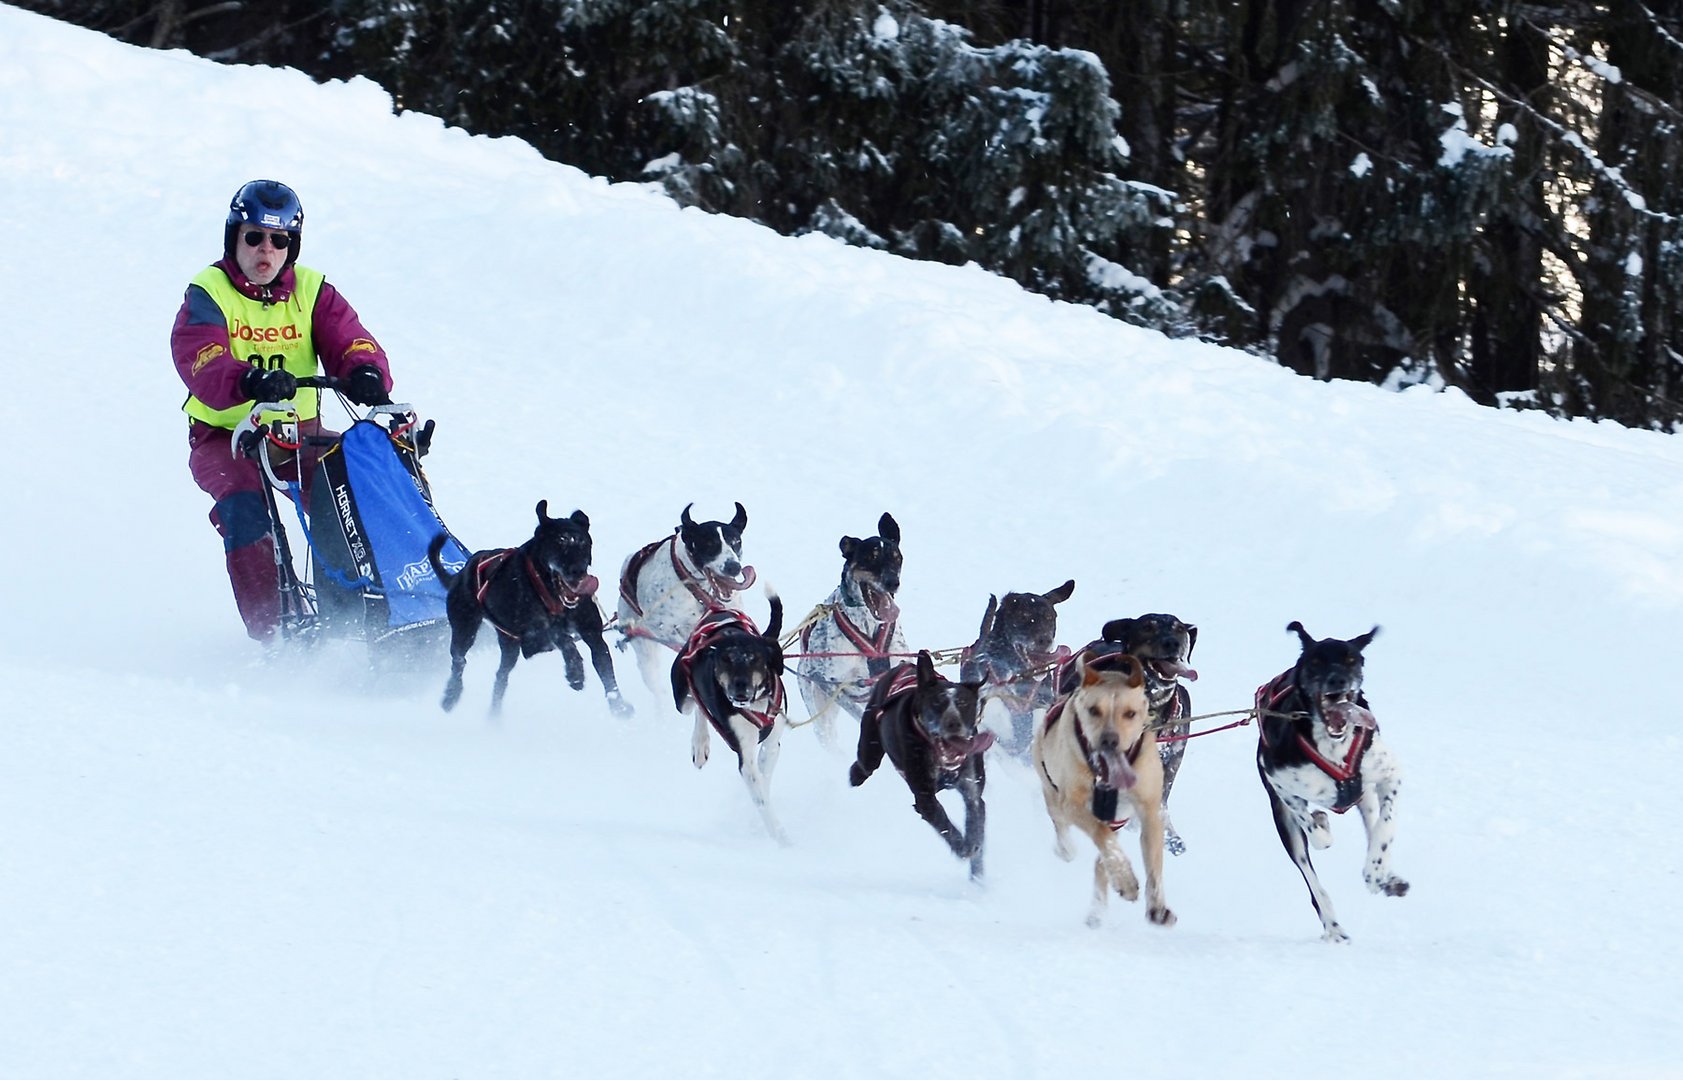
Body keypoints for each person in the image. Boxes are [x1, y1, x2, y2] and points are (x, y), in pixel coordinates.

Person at [172, 179, 395, 643]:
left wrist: (365, 371)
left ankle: (379, 606)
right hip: (227, 439)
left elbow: (351, 339)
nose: (265, 251)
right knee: (245, 507)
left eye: (279, 240)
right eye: (253, 237)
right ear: (234, 237)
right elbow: (200, 357)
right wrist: (248, 380)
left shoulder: (312, 291)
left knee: (363, 481)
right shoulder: (209, 292)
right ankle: (275, 637)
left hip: (300, 436)